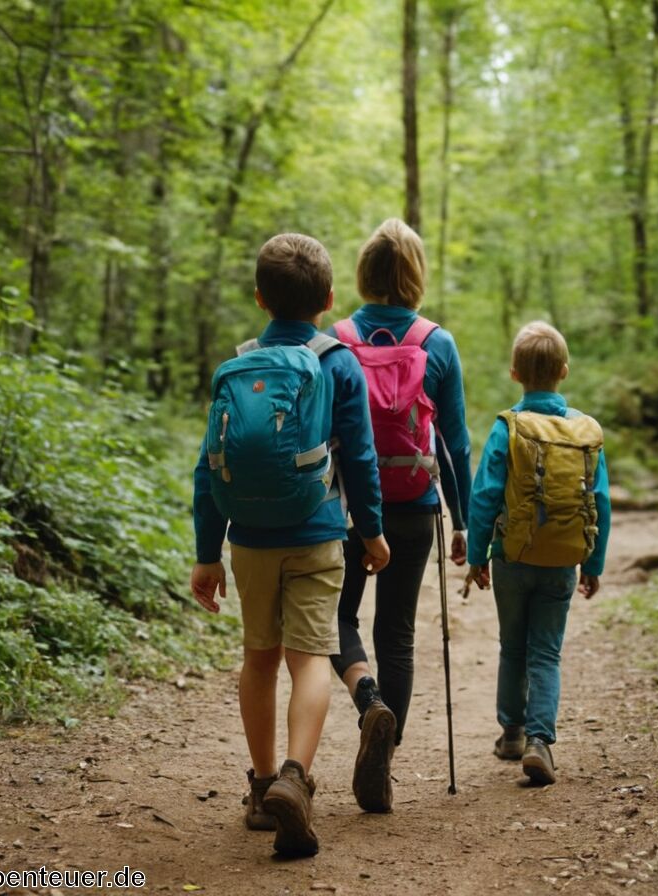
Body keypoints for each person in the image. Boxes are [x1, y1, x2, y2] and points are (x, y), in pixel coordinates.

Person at [191, 232, 391, 858]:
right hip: (317, 533)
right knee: (310, 658)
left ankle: (259, 788)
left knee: (259, 658)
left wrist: (206, 552)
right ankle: (296, 779)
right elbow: (358, 456)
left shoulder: (239, 366)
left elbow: (208, 467)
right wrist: (372, 529)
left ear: (260, 299)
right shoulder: (338, 362)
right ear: (329, 299)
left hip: (249, 540)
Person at [328, 218, 473, 813]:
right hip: (414, 507)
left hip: (343, 510)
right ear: (415, 275)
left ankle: (369, 703)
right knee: (399, 634)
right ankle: (381, 766)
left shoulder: (334, 339)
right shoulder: (436, 341)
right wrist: (462, 522)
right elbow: (456, 443)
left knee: (334, 618)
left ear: (364, 272)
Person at [465, 321, 611, 787]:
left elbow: (485, 495)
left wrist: (476, 555)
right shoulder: (584, 433)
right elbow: (601, 501)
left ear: (514, 373)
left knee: (513, 646)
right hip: (562, 561)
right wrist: (593, 563)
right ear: (564, 371)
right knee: (545, 653)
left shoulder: (508, 427)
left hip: (512, 556)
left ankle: (511, 732)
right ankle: (540, 742)